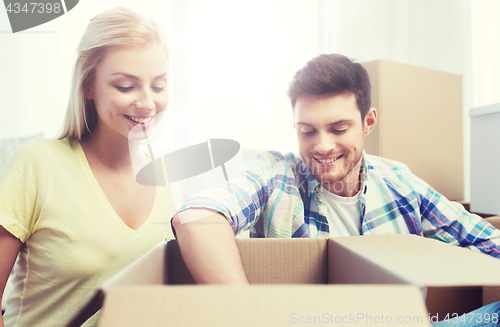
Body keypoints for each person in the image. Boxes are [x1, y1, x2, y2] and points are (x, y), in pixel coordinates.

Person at [171, 53, 500, 284]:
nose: (323, 146)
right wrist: (249, 314)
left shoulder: (400, 182)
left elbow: (484, 240)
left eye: (339, 129)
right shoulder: (275, 174)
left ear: (368, 122)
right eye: (307, 131)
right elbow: (196, 218)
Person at [0, 7, 175, 327]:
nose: (148, 103)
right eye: (126, 86)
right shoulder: (38, 164)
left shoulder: (161, 177)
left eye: (159, 86)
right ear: (87, 85)